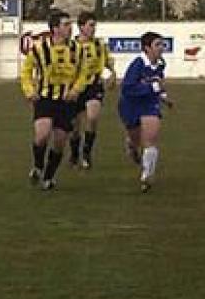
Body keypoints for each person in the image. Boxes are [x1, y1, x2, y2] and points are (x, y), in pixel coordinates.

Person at [18, 9, 93, 190]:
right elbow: (26, 72)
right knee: (42, 135)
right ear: (55, 29)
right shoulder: (39, 49)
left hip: (67, 102)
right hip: (45, 99)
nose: (70, 28)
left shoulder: (77, 50)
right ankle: (37, 165)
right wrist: (29, 91)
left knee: (59, 142)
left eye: (70, 25)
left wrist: (76, 90)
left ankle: (48, 177)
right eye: (66, 25)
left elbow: (84, 72)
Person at [119, 30, 174, 191]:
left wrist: (164, 97)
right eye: (157, 44)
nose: (161, 47)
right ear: (147, 48)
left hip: (149, 103)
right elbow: (127, 88)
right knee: (136, 139)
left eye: (162, 44)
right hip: (131, 104)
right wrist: (153, 87)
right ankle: (131, 145)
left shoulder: (161, 64)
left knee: (150, 139)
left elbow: (158, 81)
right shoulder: (138, 64)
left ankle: (147, 176)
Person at [68, 11, 113, 169]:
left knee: (93, 117)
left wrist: (112, 75)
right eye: (90, 25)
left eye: (95, 25)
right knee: (74, 127)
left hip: (94, 85)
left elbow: (108, 62)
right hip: (75, 87)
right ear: (81, 27)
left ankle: (86, 153)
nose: (93, 29)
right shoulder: (71, 45)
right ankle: (74, 154)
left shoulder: (100, 45)